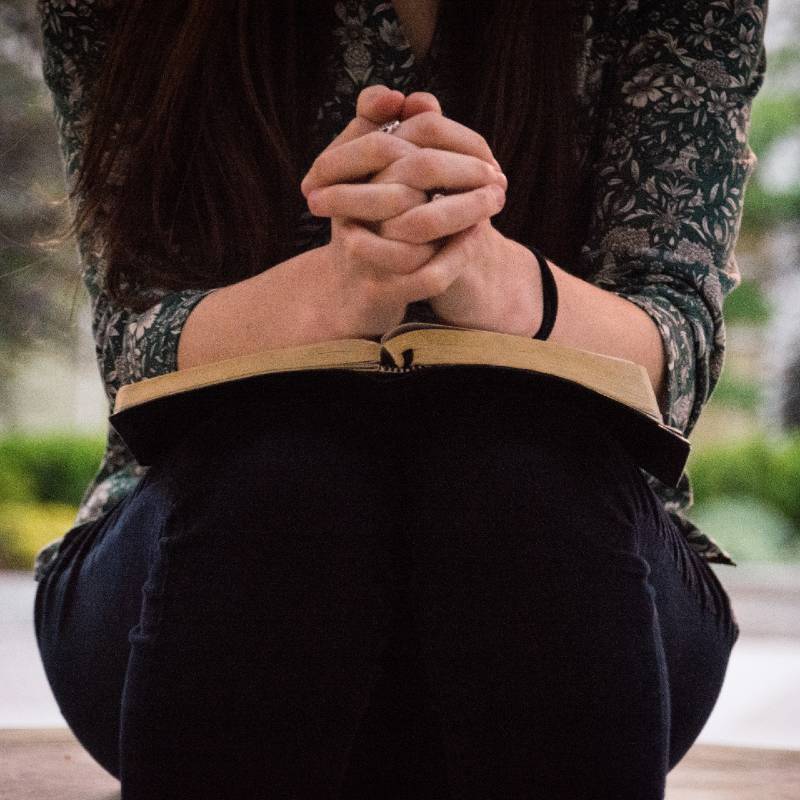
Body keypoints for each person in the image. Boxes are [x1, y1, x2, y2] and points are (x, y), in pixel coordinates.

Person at [32, 0, 766, 797]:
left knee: (517, 476)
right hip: (188, 584)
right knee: (286, 475)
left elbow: (678, 350)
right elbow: (130, 349)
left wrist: (488, 275)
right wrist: (338, 289)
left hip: (585, 584)